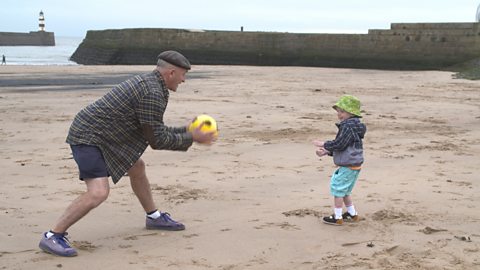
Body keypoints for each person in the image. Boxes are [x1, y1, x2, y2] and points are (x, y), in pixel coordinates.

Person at [39, 50, 217, 257]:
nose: (184, 80)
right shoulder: (152, 92)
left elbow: (154, 128)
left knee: (137, 167)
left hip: (107, 136)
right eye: (183, 74)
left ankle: (154, 217)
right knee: (98, 192)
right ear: (170, 73)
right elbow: (156, 140)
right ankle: (53, 236)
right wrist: (192, 137)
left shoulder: (153, 85)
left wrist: (185, 132)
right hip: (90, 137)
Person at [313, 95, 366, 226]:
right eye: (338, 111)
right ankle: (352, 214)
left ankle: (337, 217)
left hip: (348, 166)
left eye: (342, 111)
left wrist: (324, 144)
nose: (339, 114)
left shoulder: (347, 127)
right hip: (355, 164)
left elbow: (340, 144)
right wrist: (327, 152)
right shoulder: (354, 126)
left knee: (338, 190)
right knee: (345, 191)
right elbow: (345, 147)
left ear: (351, 112)